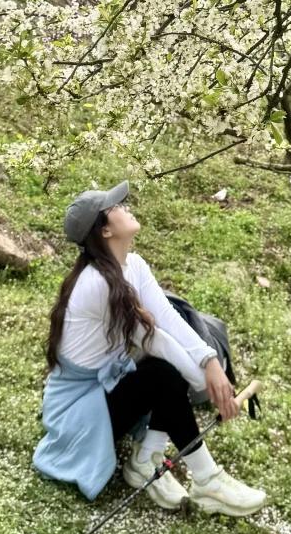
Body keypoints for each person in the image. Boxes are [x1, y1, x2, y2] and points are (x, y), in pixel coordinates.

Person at [32, 179, 267, 516]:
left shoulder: (133, 266)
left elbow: (169, 319)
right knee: (163, 373)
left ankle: (147, 461)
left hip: (106, 390)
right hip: (79, 411)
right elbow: (153, 339)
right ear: (105, 232)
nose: (124, 207)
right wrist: (210, 382)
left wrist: (210, 363)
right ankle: (206, 478)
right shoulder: (97, 284)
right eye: (114, 208)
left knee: (172, 368)